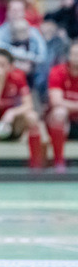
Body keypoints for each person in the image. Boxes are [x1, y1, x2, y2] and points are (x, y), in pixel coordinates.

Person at [0, 48, 42, 170]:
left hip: (13, 124)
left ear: (11, 67)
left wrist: (12, 112)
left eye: (2, 65)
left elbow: (29, 105)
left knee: (32, 116)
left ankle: (36, 166)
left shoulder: (18, 77)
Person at [47, 41, 78, 172]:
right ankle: (59, 161)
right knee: (59, 112)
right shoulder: (58, 71)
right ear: (68, 55)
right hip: (64, 122)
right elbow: (56, 101)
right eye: (74, 54)